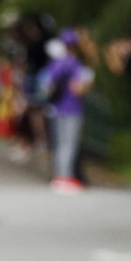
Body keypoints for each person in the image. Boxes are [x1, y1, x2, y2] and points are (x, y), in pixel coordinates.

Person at [43, 29, 94, 192]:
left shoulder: (55, 62)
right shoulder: (74, 64)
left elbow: (46, 84)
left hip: (56, 108)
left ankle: (59, 176)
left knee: (59, 145)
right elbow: (77, 89)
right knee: (68, 145)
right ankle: (64, 177)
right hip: (72, 108)